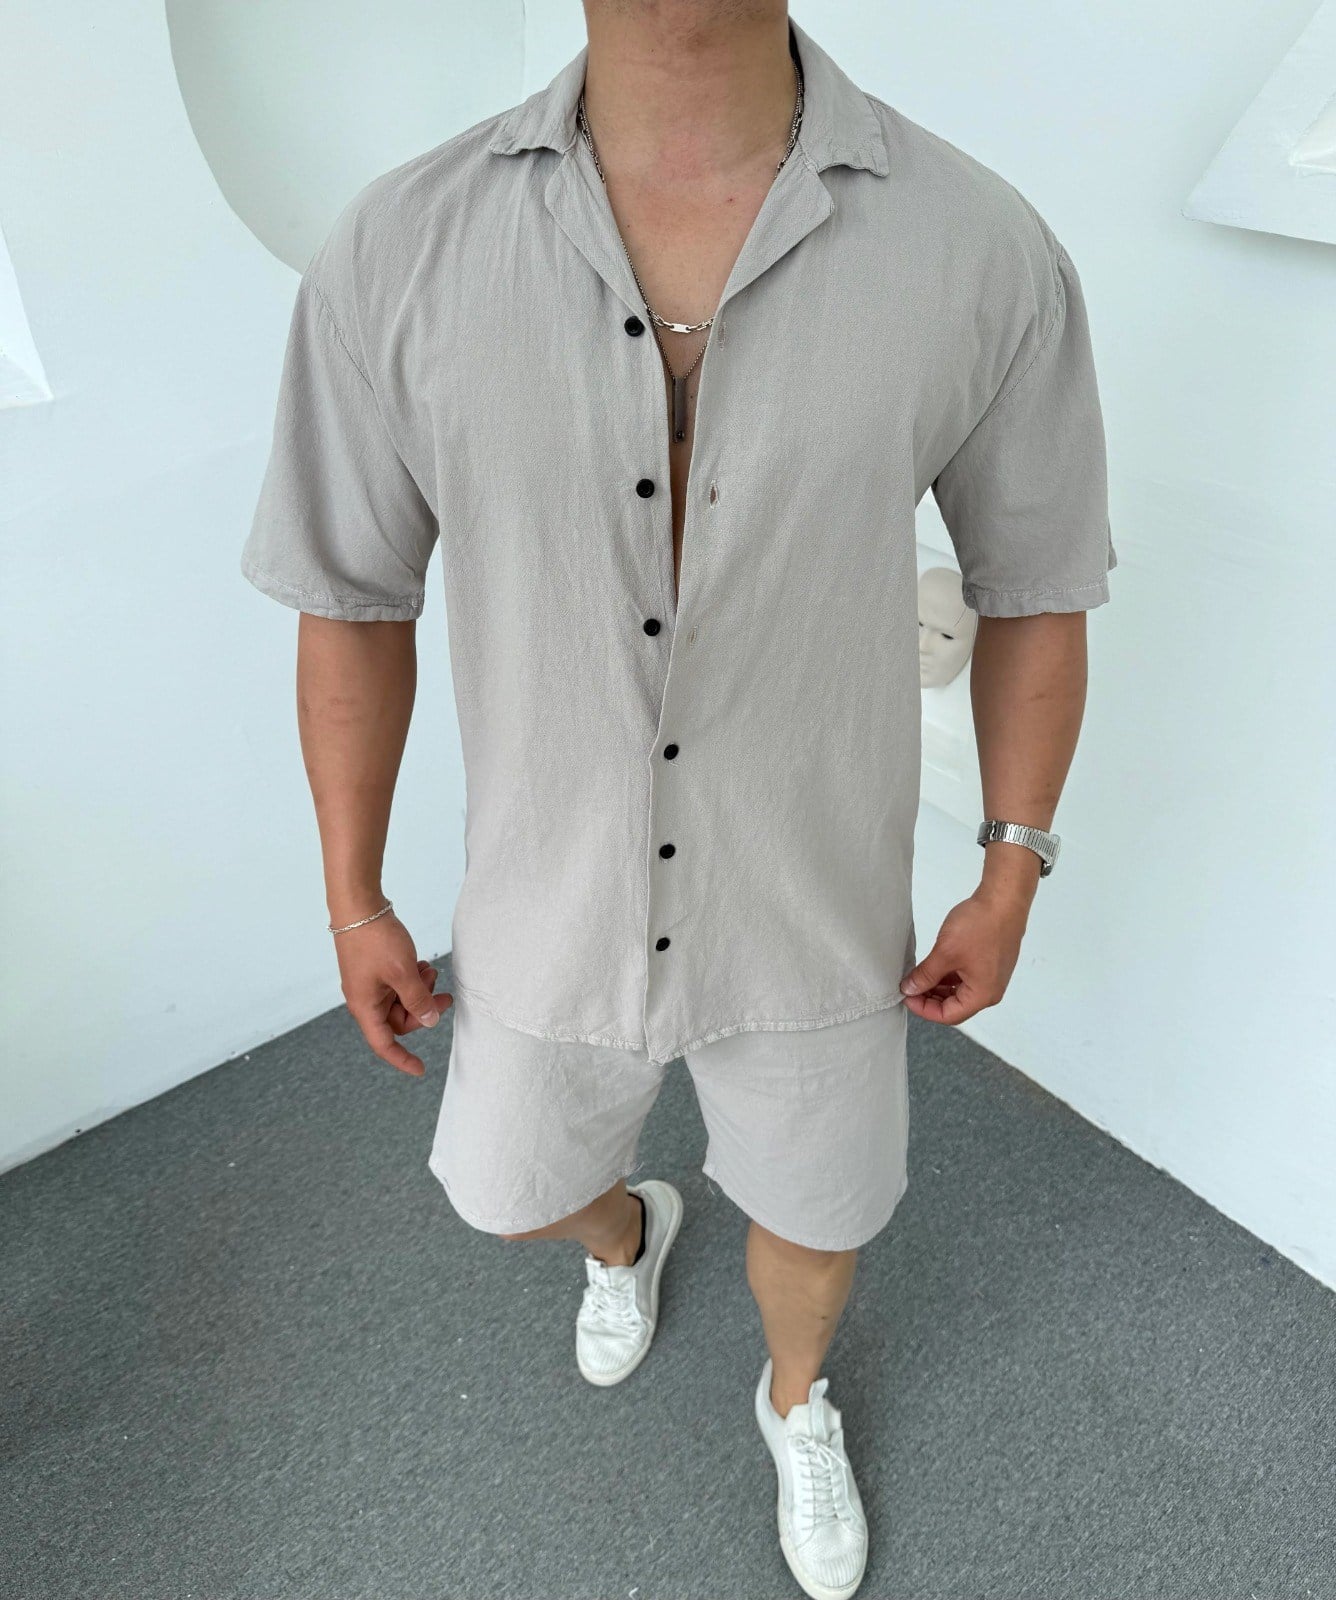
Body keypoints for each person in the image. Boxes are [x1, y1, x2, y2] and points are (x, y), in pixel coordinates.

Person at [241, 5, 1116, 1595]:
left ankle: (796, 1402)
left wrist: (1012, 864)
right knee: (502, 1194)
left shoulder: (980, 247)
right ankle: (627, 1234)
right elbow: (350, 600)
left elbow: (1036, 585)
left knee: (822, 1213)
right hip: (547, 895)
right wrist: (353, 897)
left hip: (813, 901)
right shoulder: (401, 247)